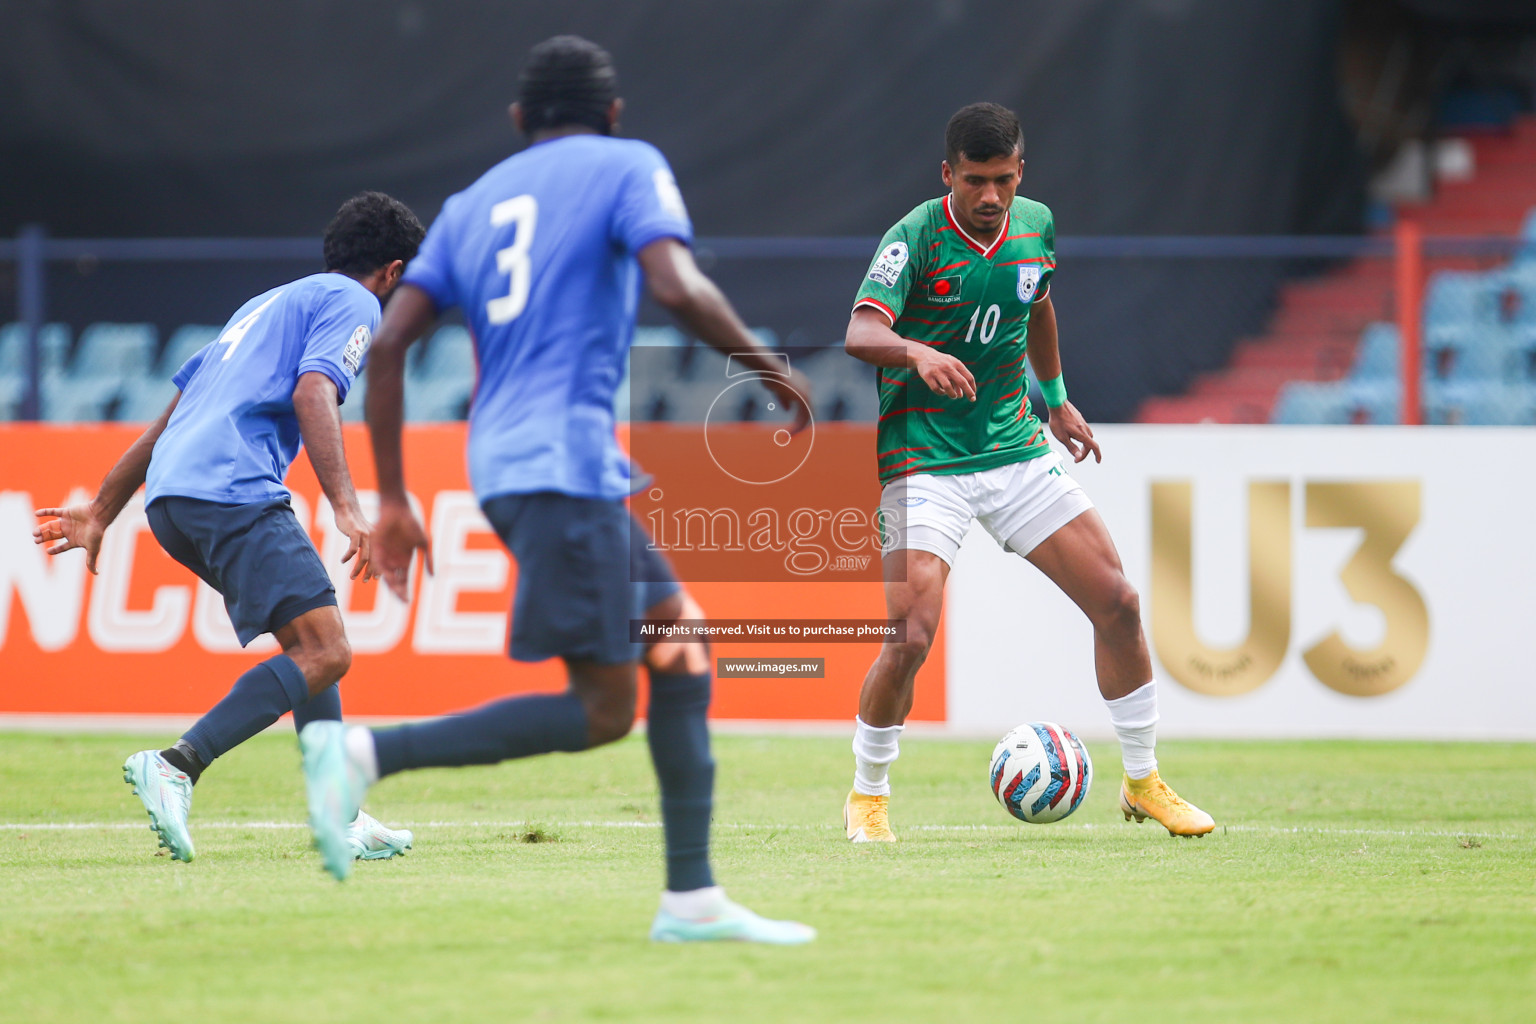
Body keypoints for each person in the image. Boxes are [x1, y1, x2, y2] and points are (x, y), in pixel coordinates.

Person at [296, 35, 816, 945]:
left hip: (507, 467)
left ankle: (691, 902)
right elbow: (674, 282)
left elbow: (387, 349)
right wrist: (769, 369)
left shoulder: (469, 204)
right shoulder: (628, 166)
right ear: (612, 114)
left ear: (517, 121)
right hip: (563, 469)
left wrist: (394, 498)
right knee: (629, 691)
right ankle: (361, 752)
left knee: (655, 673)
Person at [841, 103, 1215, 842]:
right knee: (911, 633)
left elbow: (1037, 305)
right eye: (975, 181)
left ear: (1021, 174)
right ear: (948, 174)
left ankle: (1143, 783)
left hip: (1014, 446)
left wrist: (1058, 401)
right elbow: (860, 331)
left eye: (1003, 180)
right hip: (925, 458)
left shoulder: (1036, 226)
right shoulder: (912, 238)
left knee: (1119, 602)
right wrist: (917, 352)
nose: (990, 197)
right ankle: (868, 796)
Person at [32, 192, 425, 864]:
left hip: (173, 498)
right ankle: (178, 763)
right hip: (232, 488)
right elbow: (313, 393)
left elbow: (166, 420)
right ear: (391, 272)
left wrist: (101, 510)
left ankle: (340, 813)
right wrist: (347, 505)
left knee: (312, 641)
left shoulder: (261, 308)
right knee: (328, 650)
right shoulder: (354, 302)